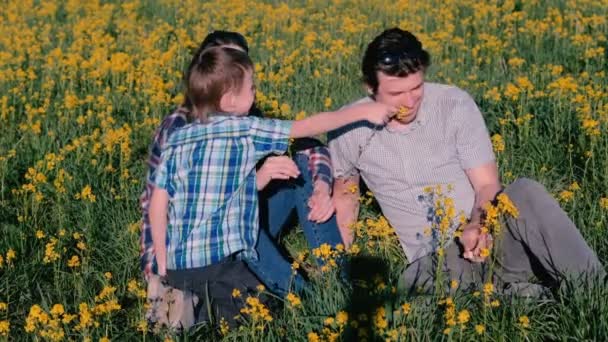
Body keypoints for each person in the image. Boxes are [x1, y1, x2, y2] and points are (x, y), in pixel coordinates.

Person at [329, 28, 604, 296]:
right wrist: (336, 271)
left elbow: (486, 185)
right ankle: (528, 294)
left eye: (416, 88)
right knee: (411, 283)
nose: (410, 101)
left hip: (493, 238)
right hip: (439, 263)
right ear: (370, 88)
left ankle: (595, 291)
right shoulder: (349, 127)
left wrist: (478, 225)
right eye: (396, 94)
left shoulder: (453, 104)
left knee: (525, 191)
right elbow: (345, 199)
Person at [148, 46, 395, 324]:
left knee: (204, 311)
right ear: (229, 101)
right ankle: (324, 301)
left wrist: (162, 259)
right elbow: (309, 126)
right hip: (222, 264)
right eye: (251, 88)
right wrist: (363, 111)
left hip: (179, 266)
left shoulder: (178, 139)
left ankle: (184, 308)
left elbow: (159, 202)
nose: (255, 93)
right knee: (266, 311)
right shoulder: (243, 129)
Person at [139, 31, 343, 299]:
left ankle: (340, 281)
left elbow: (309, 143)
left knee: (302, 160)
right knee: (237, 217)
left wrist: (322, 186)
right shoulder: (180, 126)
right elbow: (153, 202)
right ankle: (304, 299)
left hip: (248, 216)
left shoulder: (246, 114)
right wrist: (157, 269)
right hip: (208, 235)